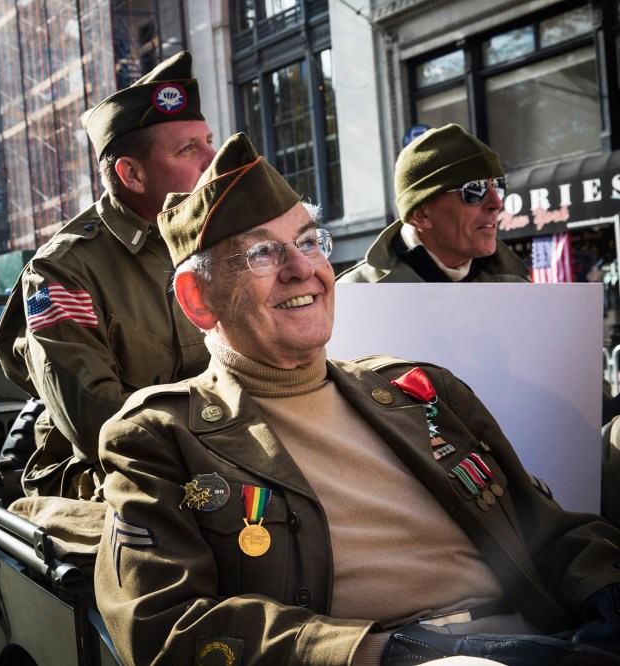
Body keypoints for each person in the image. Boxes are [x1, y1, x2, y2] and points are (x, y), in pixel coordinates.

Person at [94, 133, 620, 665]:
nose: (302, 269)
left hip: (545, 640)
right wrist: (391, 655)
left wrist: (608, 593)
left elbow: (548, 528)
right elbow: (166, 629)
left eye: (307, 241)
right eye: (261, 253)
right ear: (197, 299)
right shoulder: (159, 436)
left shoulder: (420, 389)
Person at [0, 50, 216, 498]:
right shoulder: (63, 272)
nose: (214, 158)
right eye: (189, 148)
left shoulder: (221, 239)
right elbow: (99, 424)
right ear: (131, 174)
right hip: (114, 477)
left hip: (225, 454)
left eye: (209, 140)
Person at [336, 123, 529, 283]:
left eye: (498, 186)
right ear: (421, 214)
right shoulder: (354, 296)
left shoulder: (517, 289)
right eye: (474, 190)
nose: (496, 203)